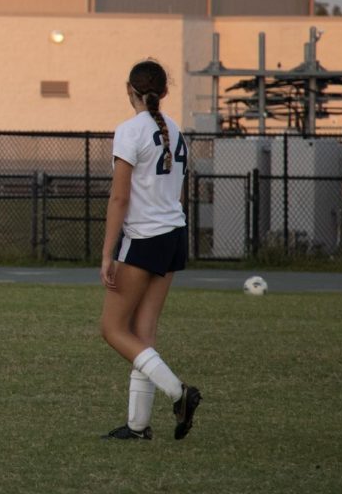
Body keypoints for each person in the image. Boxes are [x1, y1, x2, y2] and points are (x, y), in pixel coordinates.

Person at [99, 60, 201, 440]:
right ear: (164, 91)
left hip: (143, 239)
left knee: (112, 329)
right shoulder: (175, 130)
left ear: (130, 89)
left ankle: (178, 392)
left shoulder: (129, 131)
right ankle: (138, 425)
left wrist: (107, 253)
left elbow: (119, 197)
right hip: (174, 234)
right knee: (143, 331)